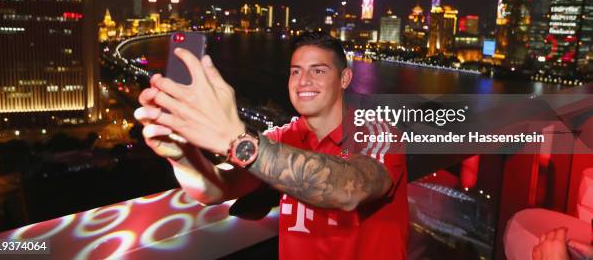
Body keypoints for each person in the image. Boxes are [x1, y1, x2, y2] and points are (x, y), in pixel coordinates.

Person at [134, 31, 409, 259]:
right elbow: (218, 187)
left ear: (345, 79)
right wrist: (182, 156)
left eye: (318, 71)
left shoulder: (376, 133)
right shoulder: (281, 138)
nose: (303, 81)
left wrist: (236, 139)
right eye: (295, 71)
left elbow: (353, 188)